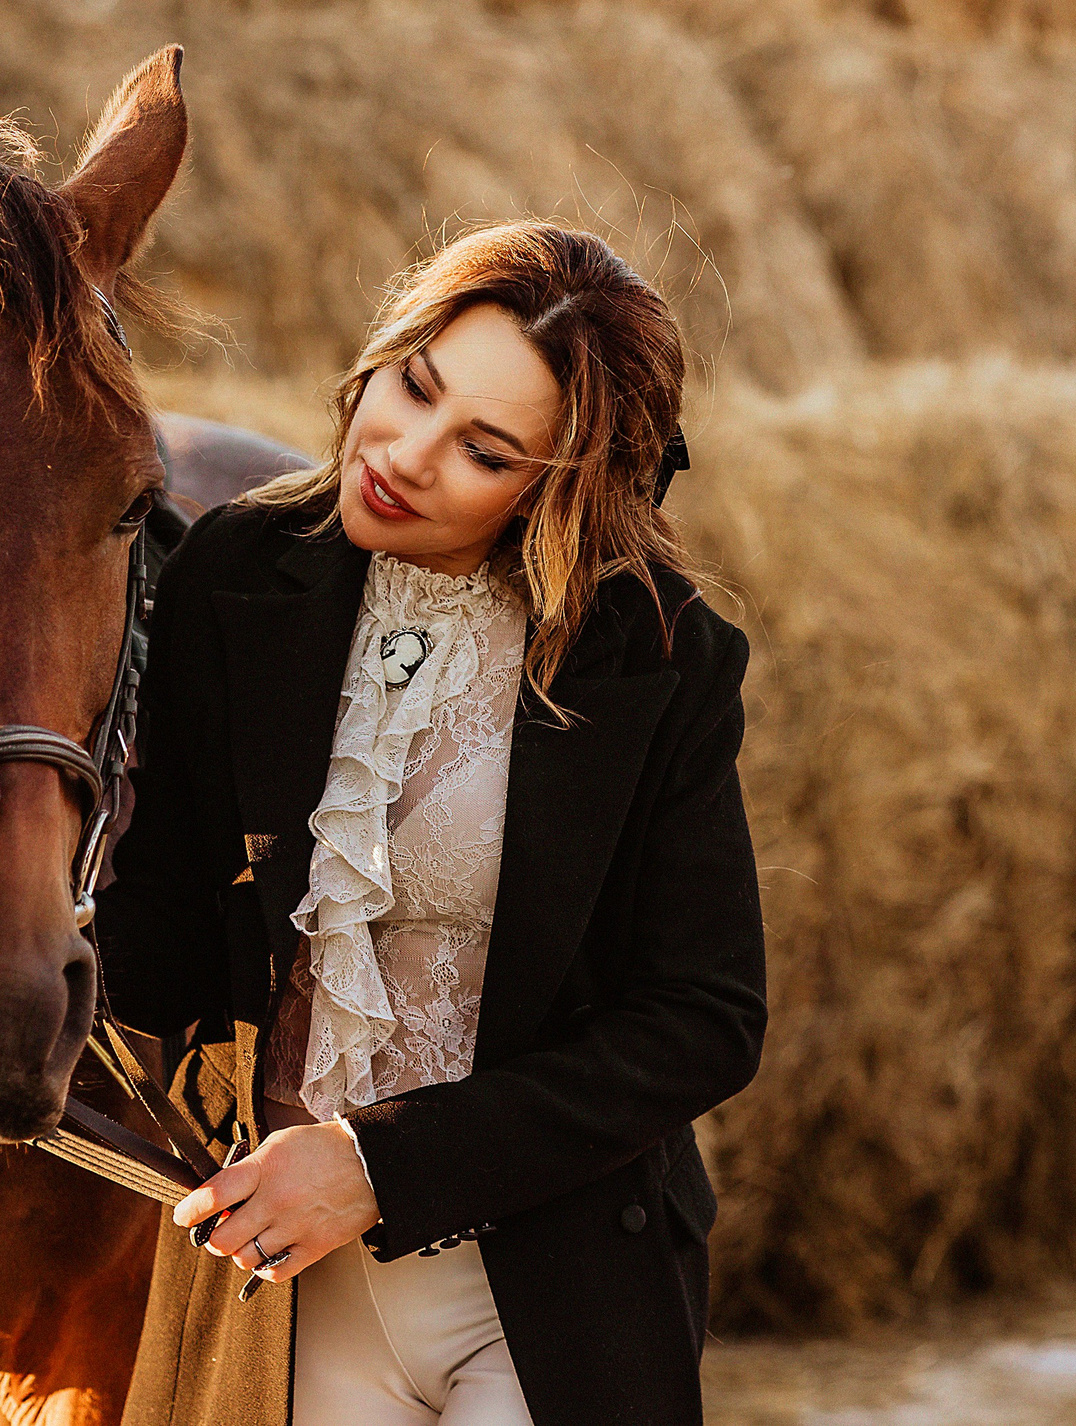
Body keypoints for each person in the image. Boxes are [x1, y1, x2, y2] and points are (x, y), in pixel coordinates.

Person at [96, 221, 766, 1426]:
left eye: (484, 450)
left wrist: (376, 1165)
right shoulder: (236, 573)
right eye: (413, 386)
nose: (402, 453)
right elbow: (168, 948)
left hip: (549, 1286)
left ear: (564, 488)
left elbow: (701, 1021)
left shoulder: (654, 652)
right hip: (282, 1289)